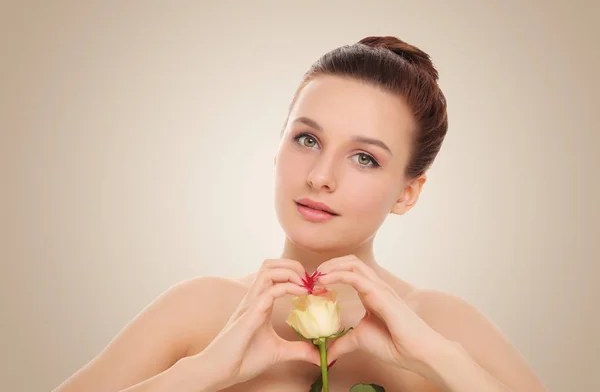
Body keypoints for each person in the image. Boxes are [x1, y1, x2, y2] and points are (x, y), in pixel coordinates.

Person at [53, 36, 547, 391]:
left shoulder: (442, 323)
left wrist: (441, 360)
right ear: (277, 148)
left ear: (408, 193)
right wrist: (199, 373)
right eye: (307, 139)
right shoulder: (200, 310)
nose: (319, 176)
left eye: (364, 158)